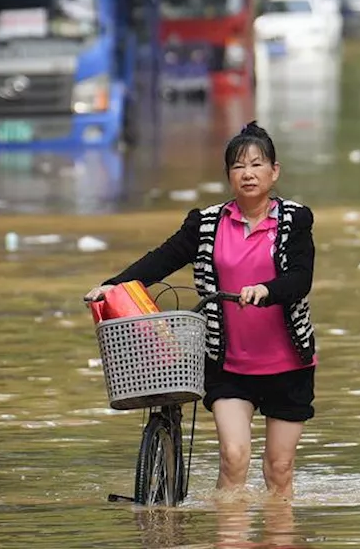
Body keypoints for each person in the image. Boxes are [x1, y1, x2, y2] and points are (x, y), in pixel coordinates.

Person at [84, 121, 317, 501]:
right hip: (228, 365)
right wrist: (114, 285)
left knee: (279, 469)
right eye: (239, 166)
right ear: (228, 175)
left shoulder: (295, 221)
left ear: (274, 172)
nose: (248, 174)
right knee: (233, 456)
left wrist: (266, 290)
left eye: (257, 165)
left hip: (288, 364)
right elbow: (163, 259)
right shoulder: (206, 222)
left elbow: (300, 278)